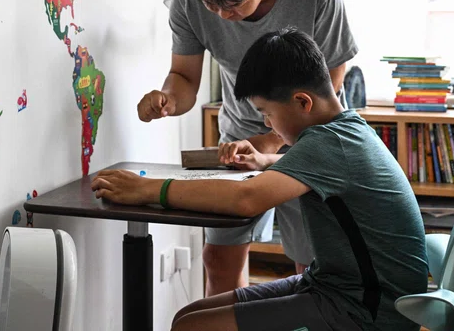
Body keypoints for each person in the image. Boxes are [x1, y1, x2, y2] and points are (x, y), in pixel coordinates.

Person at [98, 29, 427, 331]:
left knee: (191, 327)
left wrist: (149, 188)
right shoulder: (345, 129)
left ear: (302, 102)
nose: (268, 123)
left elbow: (246, 199)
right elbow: (316, 168)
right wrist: (266, 159)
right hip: (336, 286)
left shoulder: (327, 143)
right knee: (186, 318)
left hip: (367, 311)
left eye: (267, 113)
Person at [138, 0, 357, 295]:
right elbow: (184, 77)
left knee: (312, 264)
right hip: (238, 141)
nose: (222, 15)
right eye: (212, 4)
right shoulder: (188, 0)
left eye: (234, 5)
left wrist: (274, 138)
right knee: (219, 258)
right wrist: (168, 100)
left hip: (309, 135)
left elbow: (332, 76)